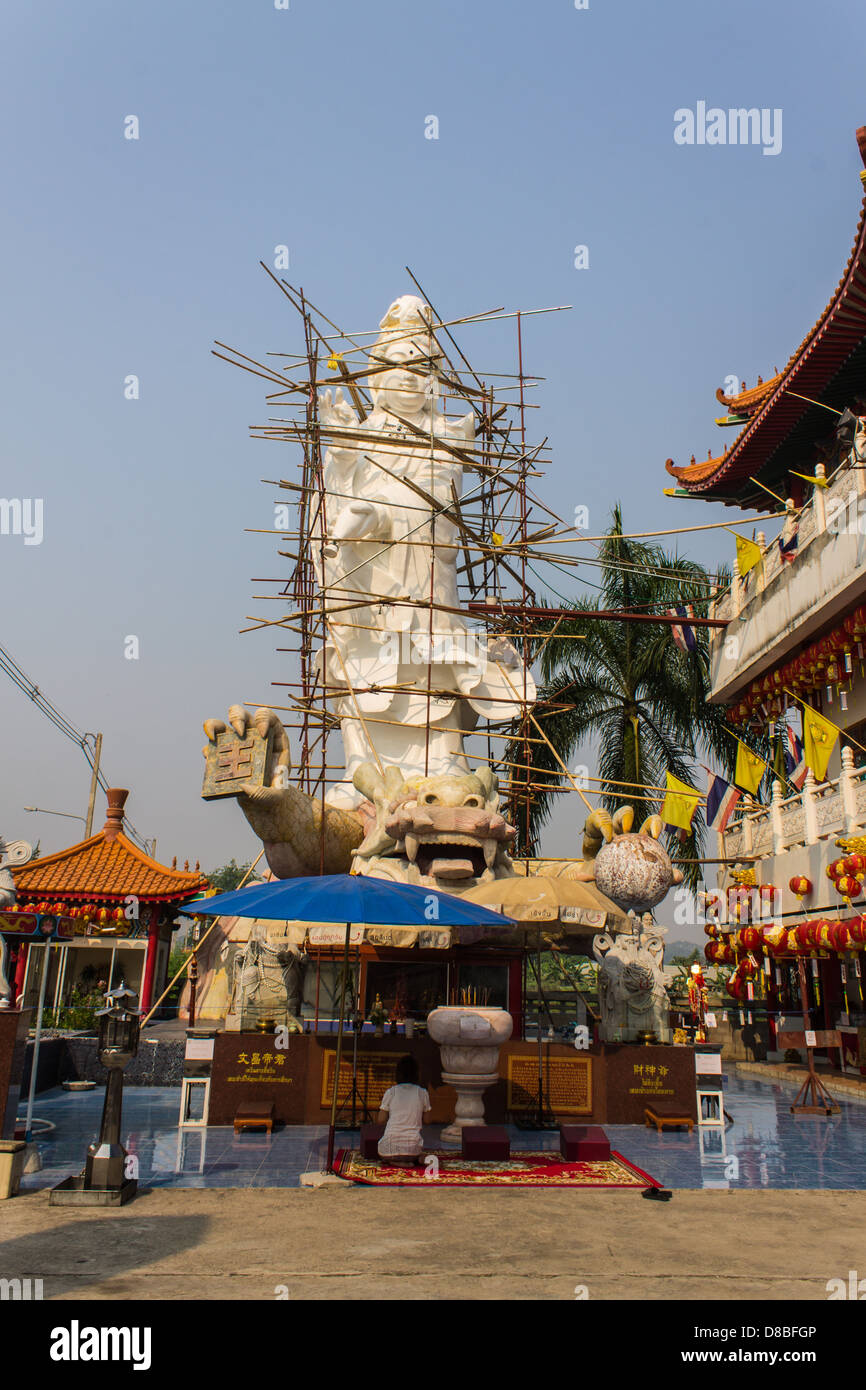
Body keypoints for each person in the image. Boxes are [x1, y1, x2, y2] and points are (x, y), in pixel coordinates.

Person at [376, 1054, 432, 1166]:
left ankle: (393, 1161)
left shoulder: (391, 1092)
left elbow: (380, 1120)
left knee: (382, 1151)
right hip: (413, 1148)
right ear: (417, 1074)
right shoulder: (422, 1093)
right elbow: (427, 1120)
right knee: (416, 1151)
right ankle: (414, 1159)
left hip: (389, 1148)